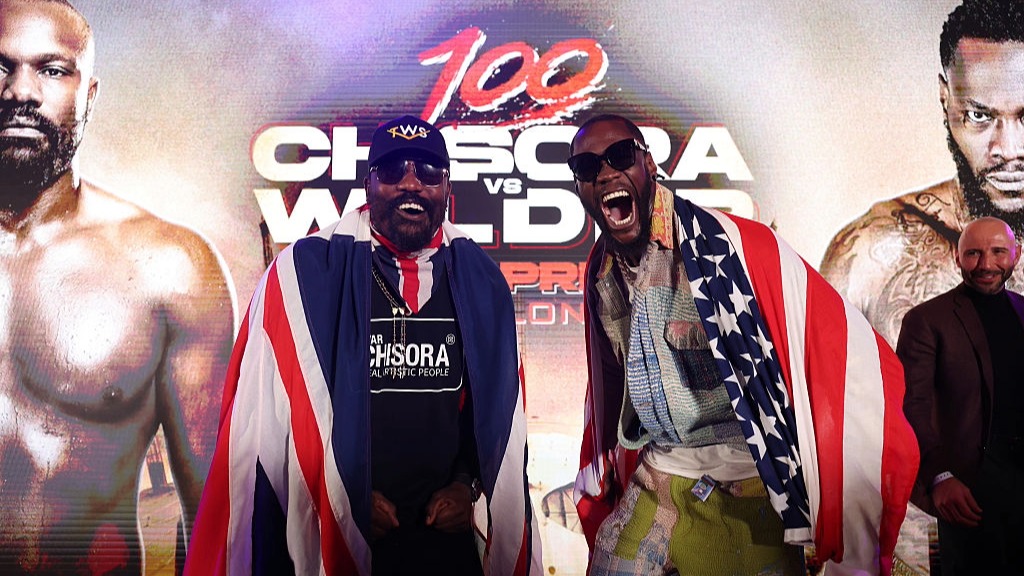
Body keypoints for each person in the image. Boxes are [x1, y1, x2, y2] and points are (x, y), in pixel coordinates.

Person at [184, 115, 541, 575]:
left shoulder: (479, 280)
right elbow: (267, 423)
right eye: (393, 171)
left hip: (444, 545)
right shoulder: (305, 277)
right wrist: (342, 494)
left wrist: (464, 484)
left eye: (429, 172)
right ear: (369, 184)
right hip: (339, 538)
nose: (411, 184)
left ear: (447, 187)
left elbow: (493, 416)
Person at [569, 114, 918, 575]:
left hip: (745, 478)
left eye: (620, 156)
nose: (606, 173)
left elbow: (828, 344)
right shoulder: (602, 270)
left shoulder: (727, 248)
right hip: (660, 470)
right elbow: (612, 375)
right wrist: (605, 460)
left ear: (648, 165)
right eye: (587, 166)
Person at [0, 0, 236, 573]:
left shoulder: (172, 268)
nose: (19, 92)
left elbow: (215, 515)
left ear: (90, 93)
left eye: (52, 70)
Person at [821, 0, 1024, 347]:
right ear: (946, 101)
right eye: (979, 117)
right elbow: (811, 397)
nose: (1009, 149)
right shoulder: (874, 256)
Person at [897, 216, 1023, 575]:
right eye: (973, 254)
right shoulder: (926, 320)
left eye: (998, 252)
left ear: (1016, 253)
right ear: (957, 257)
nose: (986, 264)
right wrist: (939, 476)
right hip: (967, 491)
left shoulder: (1022, 310)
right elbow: (910, 406)